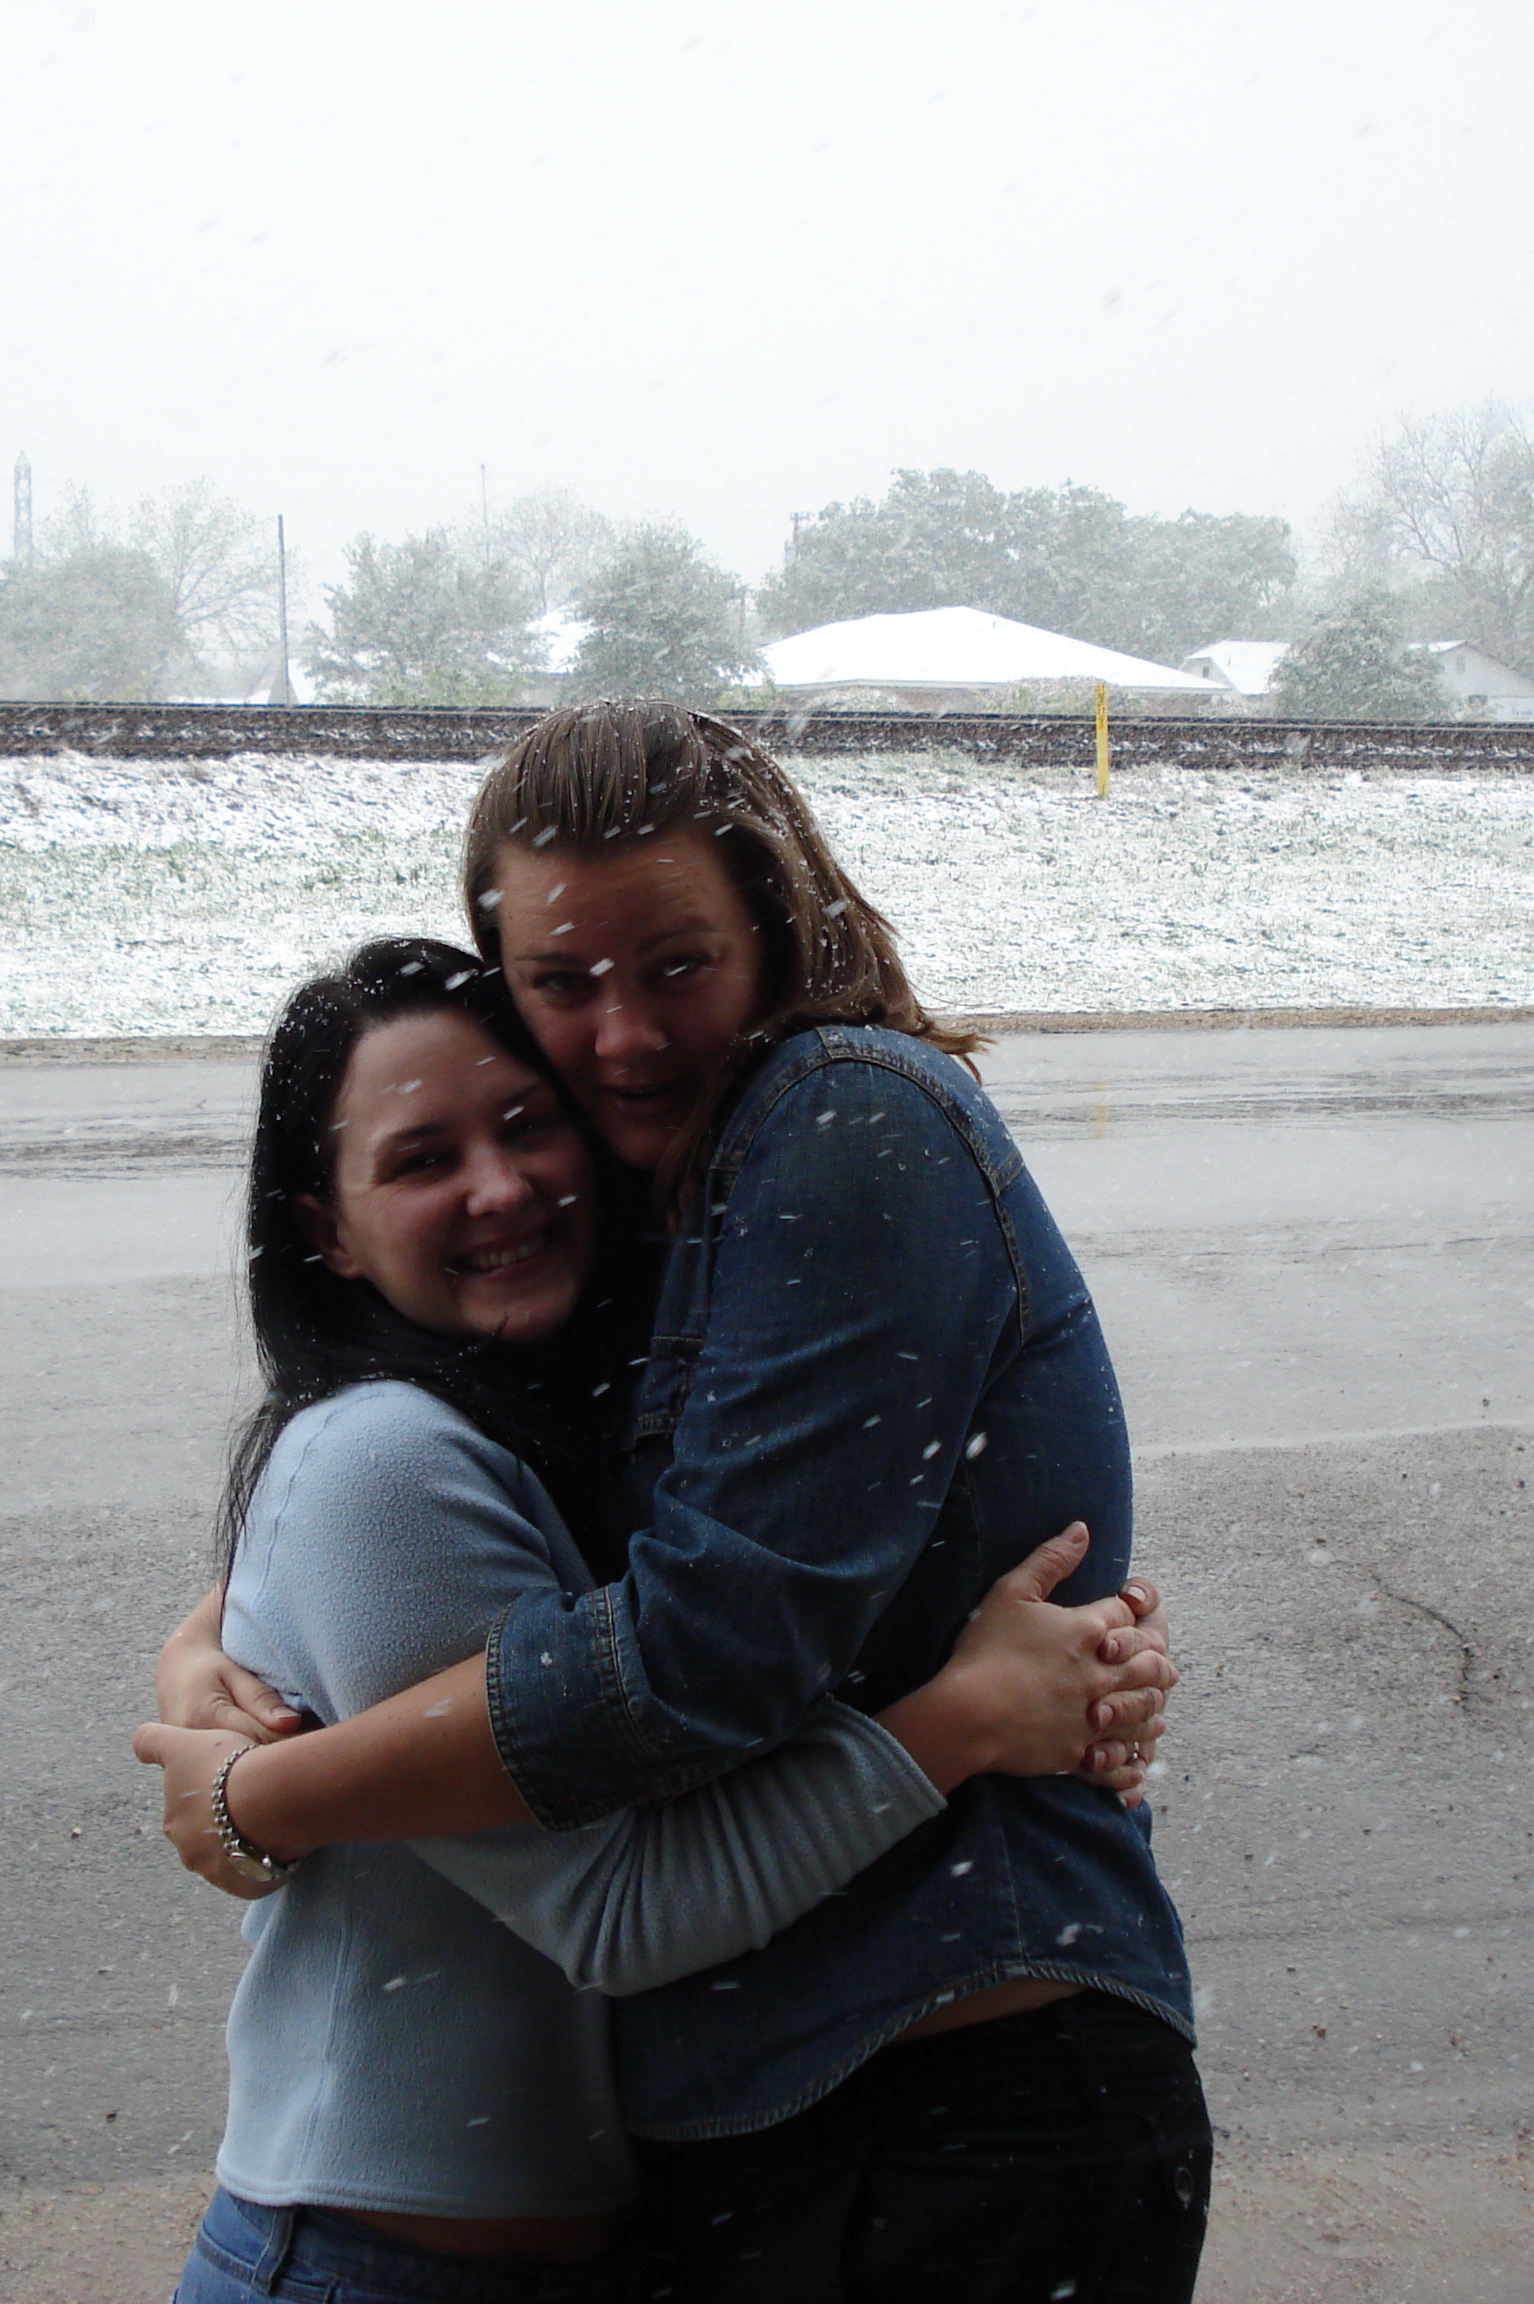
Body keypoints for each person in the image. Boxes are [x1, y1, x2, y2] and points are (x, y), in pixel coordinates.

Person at [144, 703, 1207, 2302]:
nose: (623, 1035)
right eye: (562, 987)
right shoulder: (671, 1228)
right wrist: (217, 1641)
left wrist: (267, 1797)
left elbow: (701, 1657)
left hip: (946, 2098)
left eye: (678, 966)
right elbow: (454, 1545)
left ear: (781, 934)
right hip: (798, 2126)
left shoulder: (842, 1112)